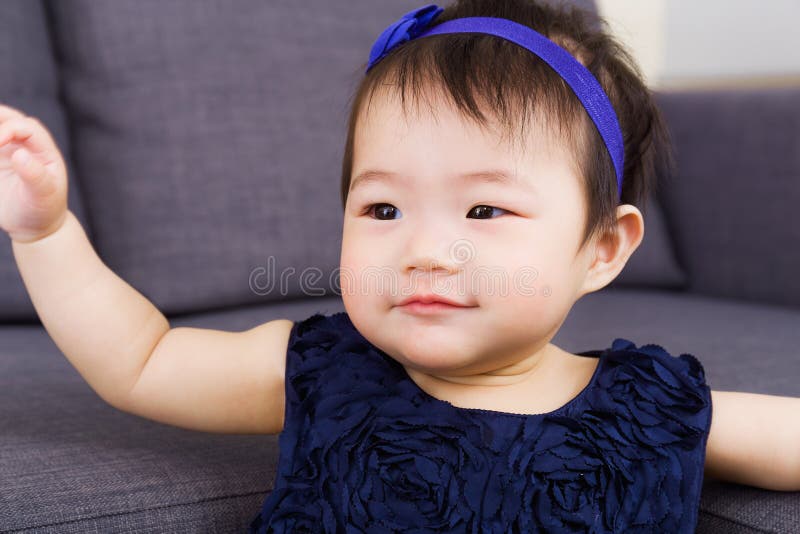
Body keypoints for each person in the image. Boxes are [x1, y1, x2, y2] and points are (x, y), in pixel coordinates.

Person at [1, 0, 798, 532]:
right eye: (383, 209)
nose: (421, 250)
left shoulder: (654, 409)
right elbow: (140, 360)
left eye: (484, 210)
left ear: (602, 248)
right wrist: (45, 234)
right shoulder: (324, 370)